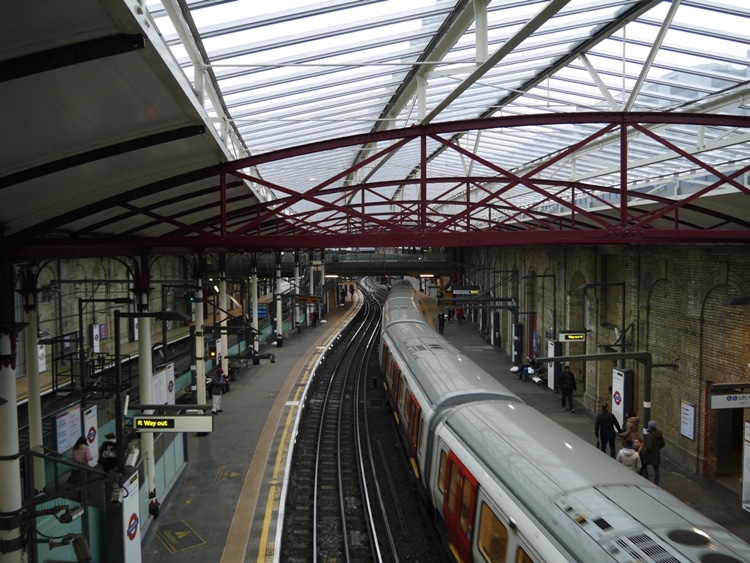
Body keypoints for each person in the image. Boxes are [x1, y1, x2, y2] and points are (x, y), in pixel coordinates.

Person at [643, 420, 666, 485]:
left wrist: (645, 450)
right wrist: (657, 448)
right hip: (657, 455)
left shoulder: (650, 437)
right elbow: (663, 444)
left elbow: (649, 447)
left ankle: (646, 480)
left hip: (649, 455)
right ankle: (656, 483)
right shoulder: (659, 435)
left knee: (644, 466)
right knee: (656, 469)